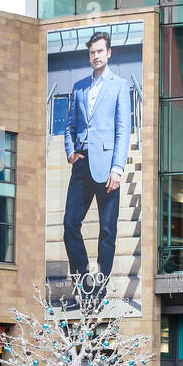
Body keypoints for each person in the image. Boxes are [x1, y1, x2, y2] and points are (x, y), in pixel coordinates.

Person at [63, 30, 133, 306]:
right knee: (70, 224)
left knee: (107, 231)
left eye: (100, 51)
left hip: (107, 169)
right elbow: (70, 125)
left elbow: (123, 130)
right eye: (92, 52)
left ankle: (100, 288)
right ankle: (83, 283)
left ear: (109, 53)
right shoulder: (79, 87)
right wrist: (70, 152)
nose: (96, 56)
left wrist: (117, 168)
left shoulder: (120, 86)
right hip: (81, 164)